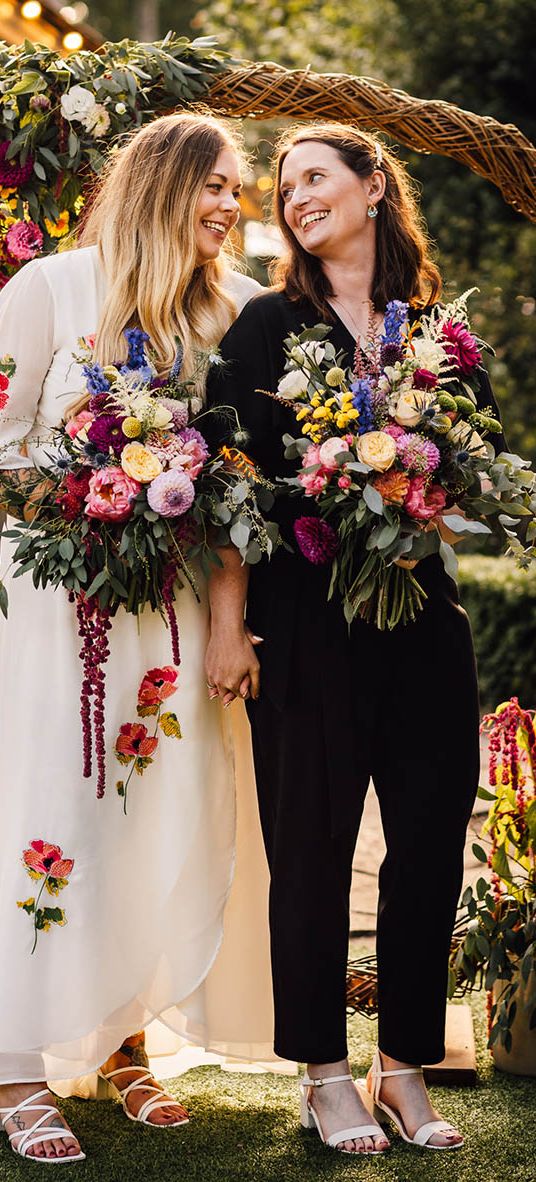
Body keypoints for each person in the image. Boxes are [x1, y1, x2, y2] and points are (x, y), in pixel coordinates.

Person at [206, 122, 507, 1155]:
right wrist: (227, 625)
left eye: (316, 176)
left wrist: (433, 477)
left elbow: (483, 457)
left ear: (373, 187)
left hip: (425, 618)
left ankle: (403, 1071)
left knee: (427, 848)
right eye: (284, 185)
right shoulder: (257, 328)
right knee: (312, 853)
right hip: (304, 628)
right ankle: (324, 1076)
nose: (295, 196)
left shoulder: (435, 326)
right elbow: (224, 489)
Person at [0, 112, 266, 1163]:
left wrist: (229, 620)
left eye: (237, 189)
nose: (230, 205)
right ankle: (18, 1063)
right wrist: (89, 488)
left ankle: (126, 1051)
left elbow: (245, 486)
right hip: (53, 618)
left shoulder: (239, 311)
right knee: (52, 814)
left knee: (157, 823)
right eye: (215, 185)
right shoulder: (49, 291)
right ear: (162, 183)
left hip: (179, 616)